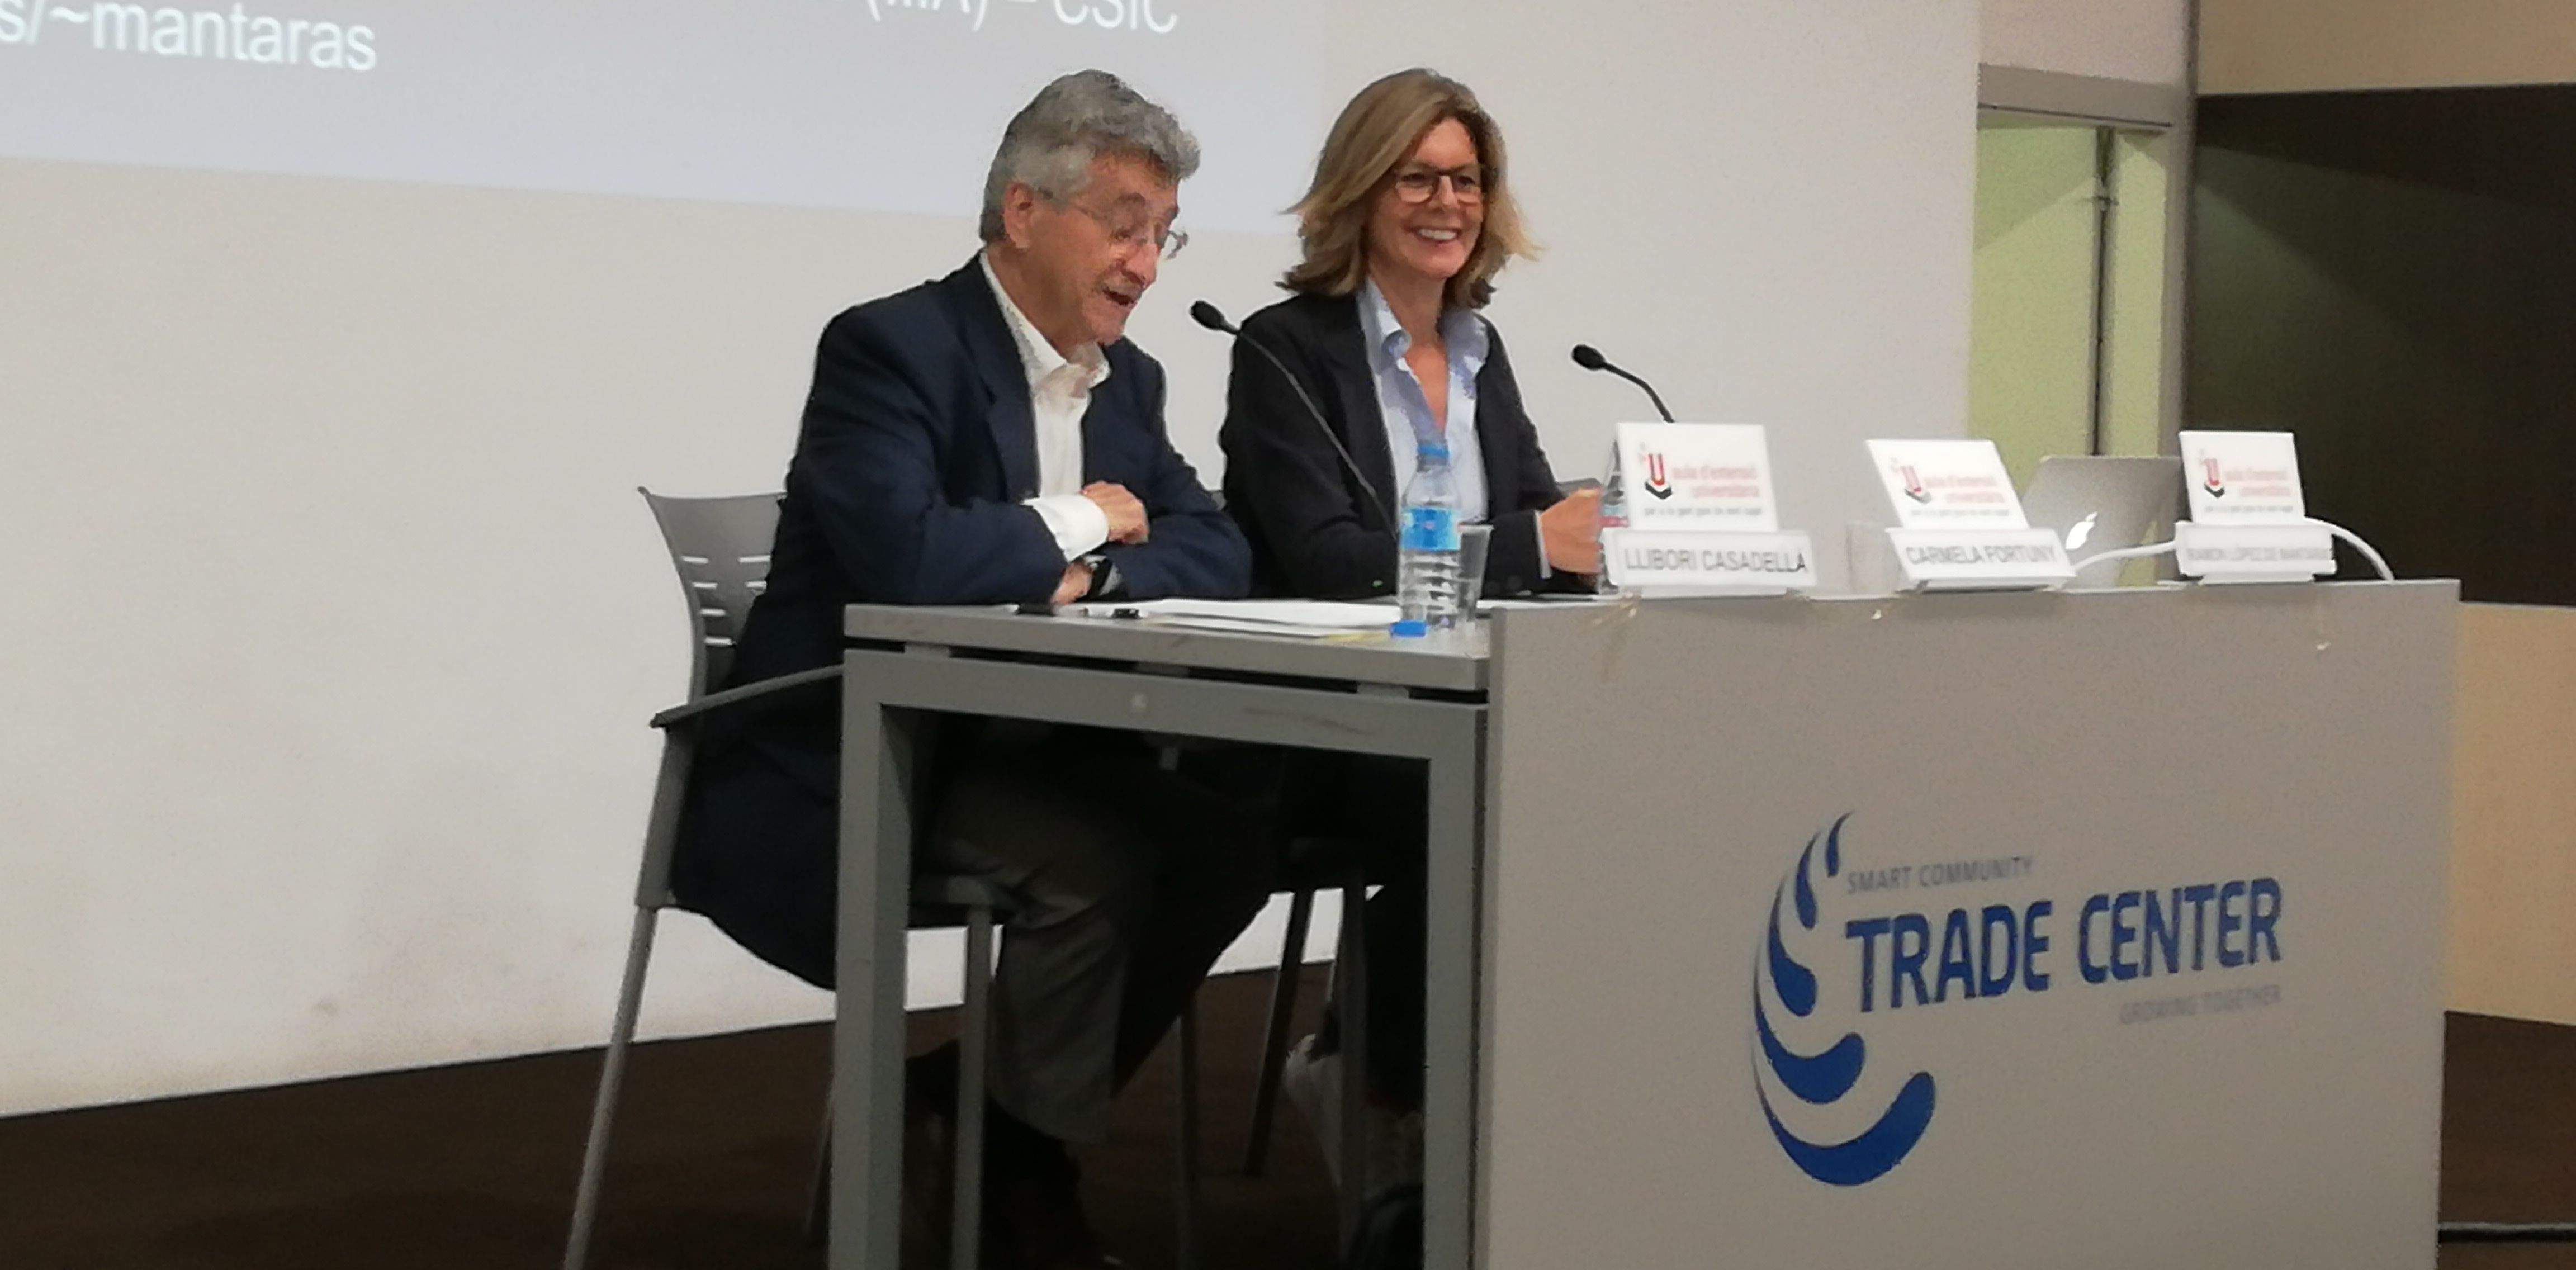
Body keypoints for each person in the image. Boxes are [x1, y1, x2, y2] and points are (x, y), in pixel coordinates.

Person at [669, 71, 1273, 1269]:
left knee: (1225, 843)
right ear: (1023, 211)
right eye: (1123, 222)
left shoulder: (1131, 382)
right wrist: (1090, 520)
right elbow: (904, 555)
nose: (1147, 264)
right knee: (1100, 861)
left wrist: (1086, 571)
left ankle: (983, 1110)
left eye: (1164, 233)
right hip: (845, 754)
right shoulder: (890, 348)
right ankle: (1021, 1174)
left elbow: (1219, 547)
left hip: (1022, 743)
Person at [1214, 68, 1602, 1203]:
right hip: (1323, 723)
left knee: (1585, 791)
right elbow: (1330, 555)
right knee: (1493, 808)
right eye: (1418, 176)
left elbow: (1542, 532)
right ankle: (1375, 1086)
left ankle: (1523, 1107)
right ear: (1361, 191)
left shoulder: (1482, 348)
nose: (1448, 202)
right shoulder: (1286, 348)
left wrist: (1620, 541)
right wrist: (1536, 543)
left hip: (1466, 707)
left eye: (1467, 179)